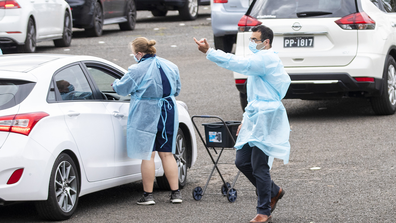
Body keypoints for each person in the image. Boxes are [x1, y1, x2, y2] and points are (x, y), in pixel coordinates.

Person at [194, 25, 291, 223]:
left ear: (266, 42)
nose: (252, 44)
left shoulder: (266, 59)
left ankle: (264, 211)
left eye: (255, 40)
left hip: (266, 117)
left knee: (259, 165)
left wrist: (209, 52)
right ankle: (274, 190)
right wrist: (246, 119)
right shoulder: (259, 60)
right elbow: (254, 96)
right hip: (255, 117)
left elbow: (237, 63)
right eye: (251, 40)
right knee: (242, 161)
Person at [112, 37, 182, 205]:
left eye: (134, 54)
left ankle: (148, 196)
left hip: (146, 111)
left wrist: (114, 83)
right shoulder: (171, 66)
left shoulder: (137, 69)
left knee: (148, 154)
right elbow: (177, 89)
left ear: (139, 53)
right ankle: (176, 193)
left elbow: (122, 88)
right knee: (167, 153)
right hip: (169, 110)